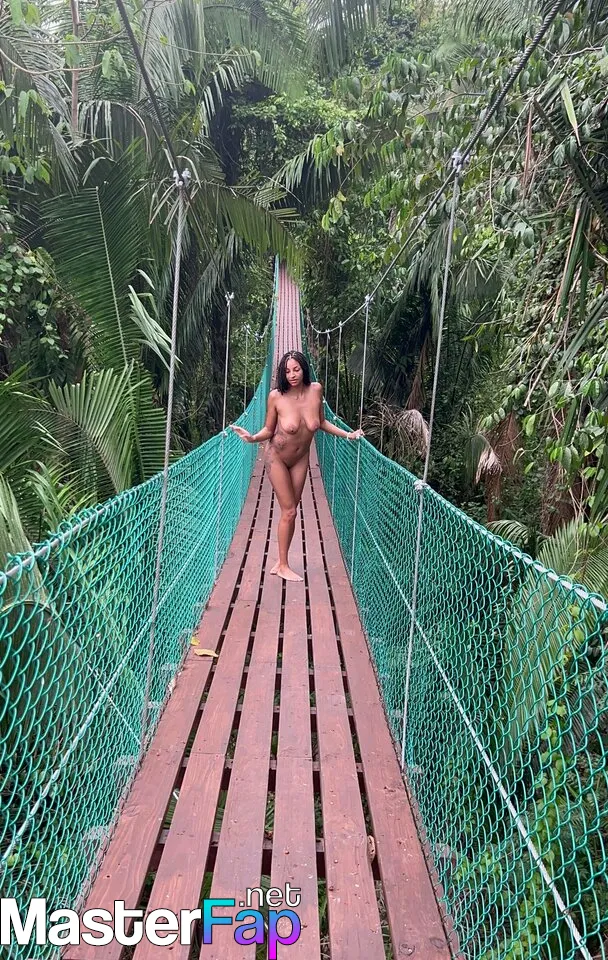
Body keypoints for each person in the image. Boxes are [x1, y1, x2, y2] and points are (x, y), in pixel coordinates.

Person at [230, 350, 363, 581]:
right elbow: (269, 430)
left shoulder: (316, 390)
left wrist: (348, 435)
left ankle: (281, 562)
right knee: (290, 510)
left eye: (296, 369)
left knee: (290, 511)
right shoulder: (276, 397)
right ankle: (283, 564)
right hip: (277, 458)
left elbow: (321, 423)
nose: (291, 375)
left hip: (301, 459)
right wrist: (252, 438)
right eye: (287, 371)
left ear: (304, 369)